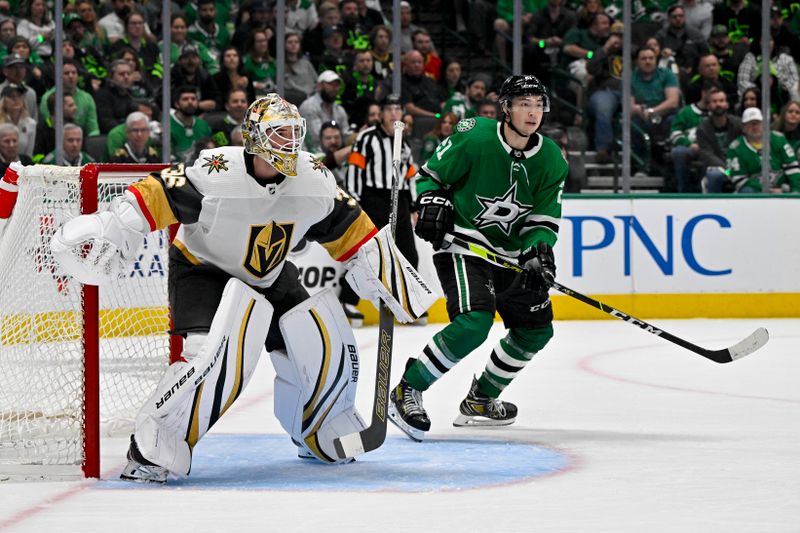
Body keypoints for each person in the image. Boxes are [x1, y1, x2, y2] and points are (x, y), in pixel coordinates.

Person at [49, 93, 435, 483]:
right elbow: (157, 192)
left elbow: (353, 230)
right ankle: (152, 447)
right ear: (254, 138)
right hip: (204, 270)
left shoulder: (312, 179)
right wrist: (115, 227)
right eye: (278, 133)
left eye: (293, 133)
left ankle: (319, 428)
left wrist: (386, 275)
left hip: (270, 274)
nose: (290, 143)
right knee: (211, 356)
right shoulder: (217, 171)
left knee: (319, 338)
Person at [388, 74, 567, 441]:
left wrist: (537, 250)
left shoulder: (552, 158)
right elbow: (430, 177)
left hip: (512, 258)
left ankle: (481, 399)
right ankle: (407, 389)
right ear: (506, 108)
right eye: (523, 104)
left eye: (538, 105)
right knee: (473, 323)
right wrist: (432, 200)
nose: (532, 113)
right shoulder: (474, 135)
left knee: (536, 331)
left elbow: (543, 219)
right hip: (466, 245)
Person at [341, 94, 420, 325]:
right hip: (373, 198)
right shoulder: (367, 138)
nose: (395, 113)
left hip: (400, 199)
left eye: (398, 108)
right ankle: (347, 301)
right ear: (382, 113)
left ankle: (402, 302)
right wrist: (354, 199)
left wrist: (413, 203)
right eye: (390, 108)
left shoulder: (403, 142)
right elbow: (355, 167)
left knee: (408, 253)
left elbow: (410, 175)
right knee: (369, 252)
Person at [725, 107, 800, 193]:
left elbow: (793, 168)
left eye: (758, 123)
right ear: (743, 128)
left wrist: (795, 191)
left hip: (781, 189)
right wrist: (765, 190)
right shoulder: (735, 148)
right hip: (755, 193)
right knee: (747, 191)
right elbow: (736, 178)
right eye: (750, 124)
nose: (755, 127)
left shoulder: (779, 139)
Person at [696, 87, 741, 192]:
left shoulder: (738, 124)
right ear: (708, 106)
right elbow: (707, 155)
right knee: (714, 175)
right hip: (716, 168)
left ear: (727, 104)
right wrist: (727, 171)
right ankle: (712, 207)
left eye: (721, 101)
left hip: (737, 167)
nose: (718, 104)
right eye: (714, 101)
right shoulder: (702, 129)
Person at [299, 70, 350, 152]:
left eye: (336, 85)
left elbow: (346, 135)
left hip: (335, 152)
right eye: (330, 84)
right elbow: (318, 138)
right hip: (314, 153)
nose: (334, 88)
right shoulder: (309, 106)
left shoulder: (339, 109)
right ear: (320, 86)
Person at [169, 85, 213, 164]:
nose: (190, 102)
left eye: (193, 99)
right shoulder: (167, 126)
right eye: (185, 99)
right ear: (177, 104)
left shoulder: (203, 125)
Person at [0, 83, 35, 158]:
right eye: (11, 96)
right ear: (4, 101)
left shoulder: (31, 123)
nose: (16, 99)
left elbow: (29, 153)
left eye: (19, 96)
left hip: (22, 163)